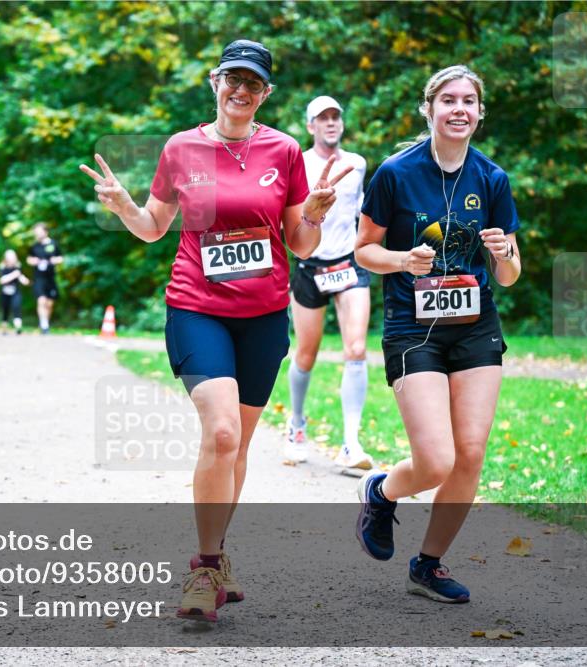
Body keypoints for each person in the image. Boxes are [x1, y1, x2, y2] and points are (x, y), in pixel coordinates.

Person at [81, 39, 351, 622]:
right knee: (223, 434)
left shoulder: (283, 151)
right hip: (197, 307)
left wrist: (314, 214)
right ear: (214, 82)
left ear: (265, 94)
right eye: (233, 79)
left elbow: (298, 243)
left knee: (241, 446)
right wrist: (126, 206)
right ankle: (203, 570)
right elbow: (154, 228)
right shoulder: (181, 148)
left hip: (262, 316)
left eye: (253, 84)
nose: (241, 91)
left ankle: (219, 553)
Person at [353, 65, 521, 604]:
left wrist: (503, 255)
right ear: (429, 108)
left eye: (469, 101)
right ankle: (381, 492)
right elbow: (364, 250)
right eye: (448, 100)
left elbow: (510, 272)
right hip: (414, 328)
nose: (459, 109)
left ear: (480, 112)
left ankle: (428, 565)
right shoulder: (396, 173)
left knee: (470, 454)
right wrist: (403, 259)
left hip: (476, 328)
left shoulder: (492, 179)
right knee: (436, 462)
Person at [284, 96, 374, 476]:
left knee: (356, 348)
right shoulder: (298, 163)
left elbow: (360, 211)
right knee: (306, 352)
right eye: (323, 118)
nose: (331, 123)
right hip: (310, 265)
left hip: (348, 263)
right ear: (310, 126)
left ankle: (351, 443)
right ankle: (296, 424)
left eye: (336, 116)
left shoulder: (357, 164)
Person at [26, 223, 63, 334]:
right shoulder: (34, 246)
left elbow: (61, 258)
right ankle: (44, 325)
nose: (37, 233)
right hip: (39, 277)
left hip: (50, 277)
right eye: (35, 231)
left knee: (49, 303)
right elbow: (29, 259)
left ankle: (44, 321)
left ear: (45, 231)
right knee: (41, 300)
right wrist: (33, 261)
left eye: (39, 231)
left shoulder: (53, 244)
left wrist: (54, 260)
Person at [0, 249, 30, 335]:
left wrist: (25, 280)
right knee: (6, 310)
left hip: (15, 291)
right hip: (4, 292)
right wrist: (14, 275)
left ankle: (18, 328)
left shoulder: (18, 267)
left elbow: (21, 277)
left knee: (17, 307)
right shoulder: (2, 267)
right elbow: (2, 280)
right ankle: (4, 329)